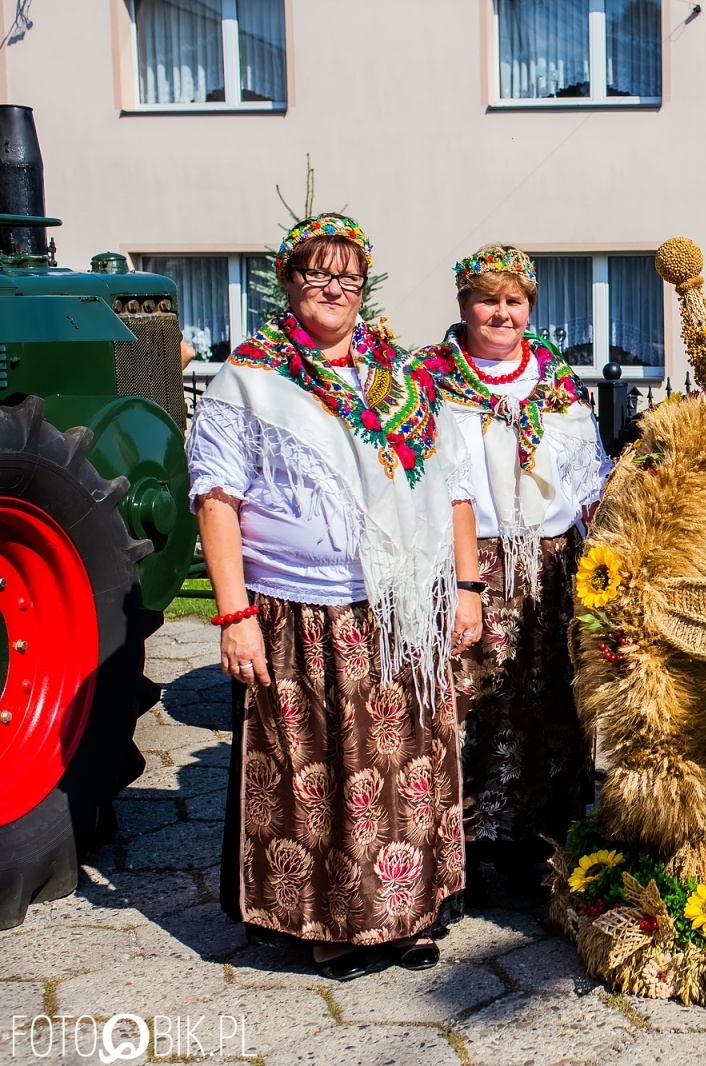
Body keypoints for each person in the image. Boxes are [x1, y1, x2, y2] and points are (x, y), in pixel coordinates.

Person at [188, 214, 480, 982]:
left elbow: (451, 489)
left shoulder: (402, 378)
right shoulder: (248, 379)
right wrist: (234, 615)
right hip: (301, 610)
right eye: (317, 275)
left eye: (348, 278)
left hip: (402, 610)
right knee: (324, 774)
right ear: (289, 283)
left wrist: (466, 586)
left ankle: (407, 919)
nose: (333, 291)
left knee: (408, 769)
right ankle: (332, 927)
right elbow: (214, 499)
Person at [415, 245, 606, 895]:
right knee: (465, 702)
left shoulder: (554, 381)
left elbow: (586, 478)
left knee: (545, 701)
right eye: (487, 299)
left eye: (514, 300)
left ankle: (534, 843)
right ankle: (453, 851)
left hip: (549, 563)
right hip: (465, 563)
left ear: (530, 307)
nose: (501, 312)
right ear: (464, 304)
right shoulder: (428, 379)